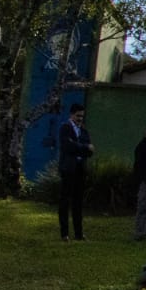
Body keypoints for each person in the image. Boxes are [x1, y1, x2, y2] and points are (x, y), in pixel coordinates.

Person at [57, 103, 93, 241]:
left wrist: (81, 148)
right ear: (71, 115)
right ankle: (64, 233)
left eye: (82, 116)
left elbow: (89, 151)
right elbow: (67, 146)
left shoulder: (83, 131)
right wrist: (83, 147)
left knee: (78, 202)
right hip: (68, 168)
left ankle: (78, 232)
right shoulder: (65, 128)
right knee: (65, 200)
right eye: (78, 116)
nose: (80, 119)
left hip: (80, 168)